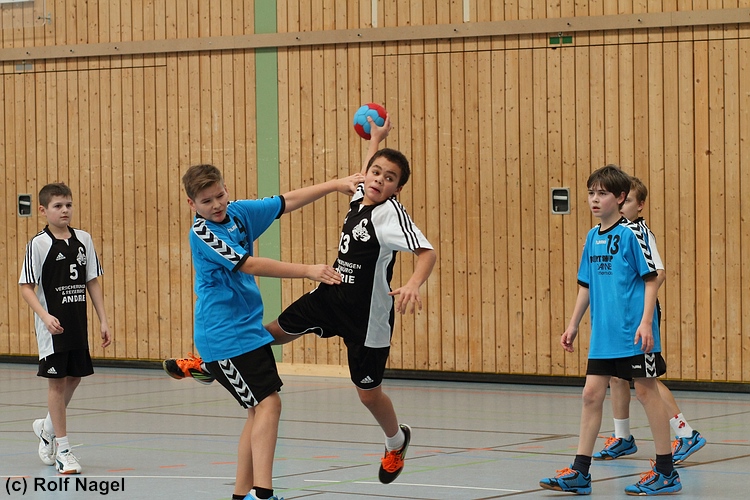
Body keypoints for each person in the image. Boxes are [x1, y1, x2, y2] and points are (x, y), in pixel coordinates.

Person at [164, 114, 437, 486]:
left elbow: (427, 252)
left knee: (368, 395)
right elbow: (362, 177)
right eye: (375, 173)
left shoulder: (391, 215)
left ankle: (396, 441)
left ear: (397, 189)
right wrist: (374, 140)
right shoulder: (363, 193)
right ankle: (214, 364)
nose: (376, 180)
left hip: (366, 316)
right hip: (330, 295)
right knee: (268, 335)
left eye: (388, 179)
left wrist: (413, 284)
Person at [169, 163, 363, 500]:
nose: (216, 205)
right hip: (225, 336)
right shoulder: (203, 233)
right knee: (270, 404)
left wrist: (334, 184)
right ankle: (262, 494)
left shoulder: (238, 213)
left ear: (226, 190)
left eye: (220, 195)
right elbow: (249, 264)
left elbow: (285, 202)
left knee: (258, 411)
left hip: (247, 332)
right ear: (191, 204)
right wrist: (308, 270)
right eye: (206, 201)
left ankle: (242, 495)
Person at [539, 165, 682, 495]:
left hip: (633, 333)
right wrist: (573, 324)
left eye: (602, 193)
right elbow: (586, 285)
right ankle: (580, 473)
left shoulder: (633, 234)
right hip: (603, 336)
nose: (594, 199)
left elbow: (652, 279)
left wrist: (646, 322)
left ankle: (666, 471)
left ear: (620, 198)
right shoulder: (592, 237)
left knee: (646, 393)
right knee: (590, 395)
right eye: (591, 193)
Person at [594, 176, 706, 465]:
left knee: (646, 381)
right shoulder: (610, 232)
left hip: (638, 316)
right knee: (617, 376)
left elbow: (659, 273)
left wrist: (639, 307)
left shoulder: (639, 233)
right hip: (616, 317)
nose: (622, 206)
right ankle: (622, 437)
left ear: (640, 205)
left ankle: (686, 433)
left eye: (628, 201)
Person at [19, 182, 112, 474]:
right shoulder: (38, 244)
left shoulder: (84, 239)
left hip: (77, 323)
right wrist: (45, 317)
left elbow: (91, 280)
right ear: (43, 210)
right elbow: (26, 287)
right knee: (57, 383)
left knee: (75, 377)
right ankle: (63, 450)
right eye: (58, 206)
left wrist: (103, 319)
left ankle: (46, 428)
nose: (65, 210)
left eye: (68, 205)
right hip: (52, 328)